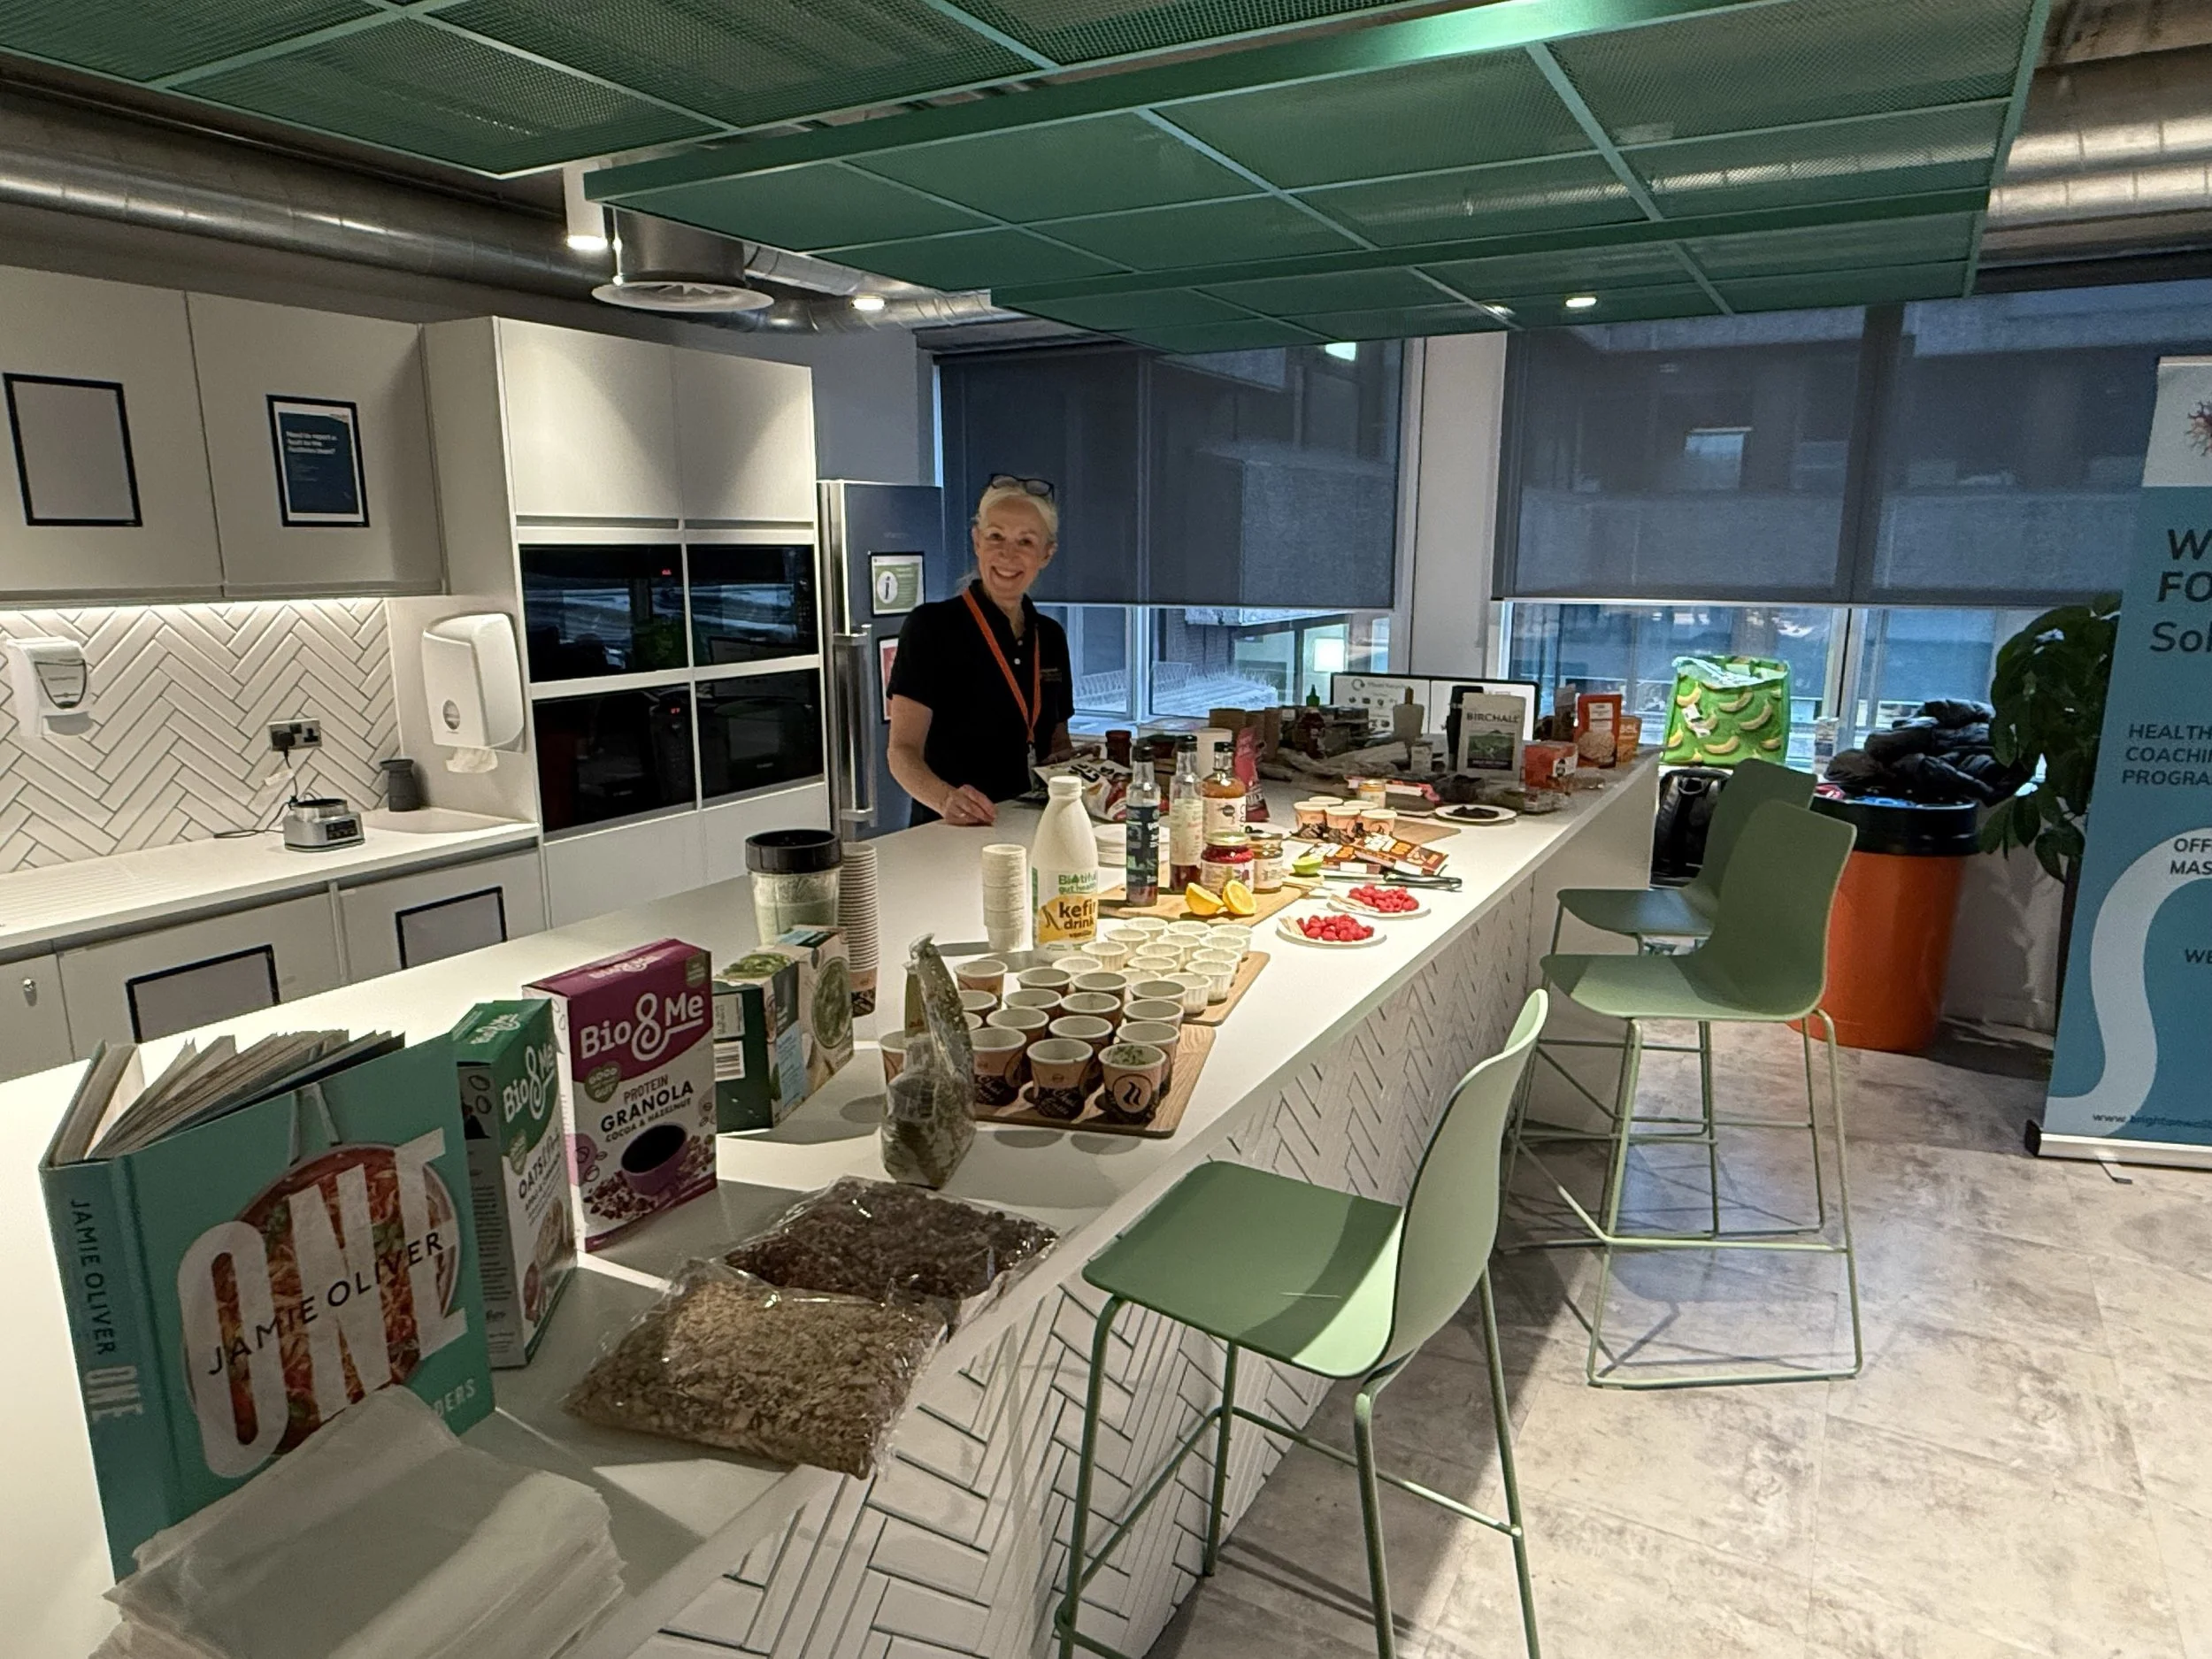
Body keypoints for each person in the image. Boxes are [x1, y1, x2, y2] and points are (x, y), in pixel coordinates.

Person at [886, 475, 1074, 826]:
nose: (1008, 554)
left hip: (1034, 825)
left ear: (1046, 554)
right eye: (996, 537)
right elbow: (901, 752)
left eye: (1026, 541)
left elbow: (1055, 739)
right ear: (977, 541)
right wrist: (945, 799)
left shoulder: (1050, 636)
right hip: (952, 834)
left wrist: (1069, 763)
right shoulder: (931, 628)